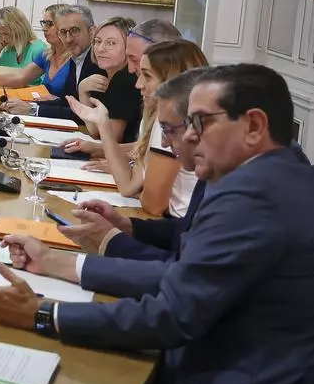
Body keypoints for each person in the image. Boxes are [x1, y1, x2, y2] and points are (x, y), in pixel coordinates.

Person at [0, 64, 314, 384]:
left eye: (200, 123)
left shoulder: (253, 196)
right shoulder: (280, 176)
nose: (187, 137)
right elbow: (185, 275)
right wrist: (59, 263)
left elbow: (171, 314)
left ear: (254, 126)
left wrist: (43, 314)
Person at [59, 69, 208, 262]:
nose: (137, 83)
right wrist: (124, 224)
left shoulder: (236, 190)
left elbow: (185, 268)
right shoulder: (211, 176)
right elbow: (184, 231)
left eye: (146, 74)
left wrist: (110, 243)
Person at [68, 40, 208, 217]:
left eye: (147, 76)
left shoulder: (170, 123)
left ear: (172, 81)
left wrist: (142, 191)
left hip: (175, 224)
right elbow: (128, 186)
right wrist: (103, 124)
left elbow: (152, 205)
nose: (138, 84)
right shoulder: (157, 118)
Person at [6, 4, 105, 117]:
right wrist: (28, 105)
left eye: (74, 30)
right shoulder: (76, 56)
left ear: (92, 31)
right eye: (63, 32)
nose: (68, 39)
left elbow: (84, 114)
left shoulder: (99, 62)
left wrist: (34, 110)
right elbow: (67, 101)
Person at [72, 16, 143, 143]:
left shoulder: (125, 79)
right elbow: (95, 131)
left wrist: (83, 93)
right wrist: (82, 90)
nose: (100, 49)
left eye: (111, 43)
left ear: (129, 48)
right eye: (98, 41)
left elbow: (111, 138)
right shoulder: (103, 74)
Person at [0, 3, 72, 94]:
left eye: (49, 24)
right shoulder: (46, 55)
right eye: (44, 23)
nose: (44, 28)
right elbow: (21, 78)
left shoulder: (74, 59)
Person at [0, 6, 46, 83]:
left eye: (6, 34)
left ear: (19, 29)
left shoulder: (38, 49)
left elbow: (45, 85)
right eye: (0, 34)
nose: (3, 38)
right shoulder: (8, 50)